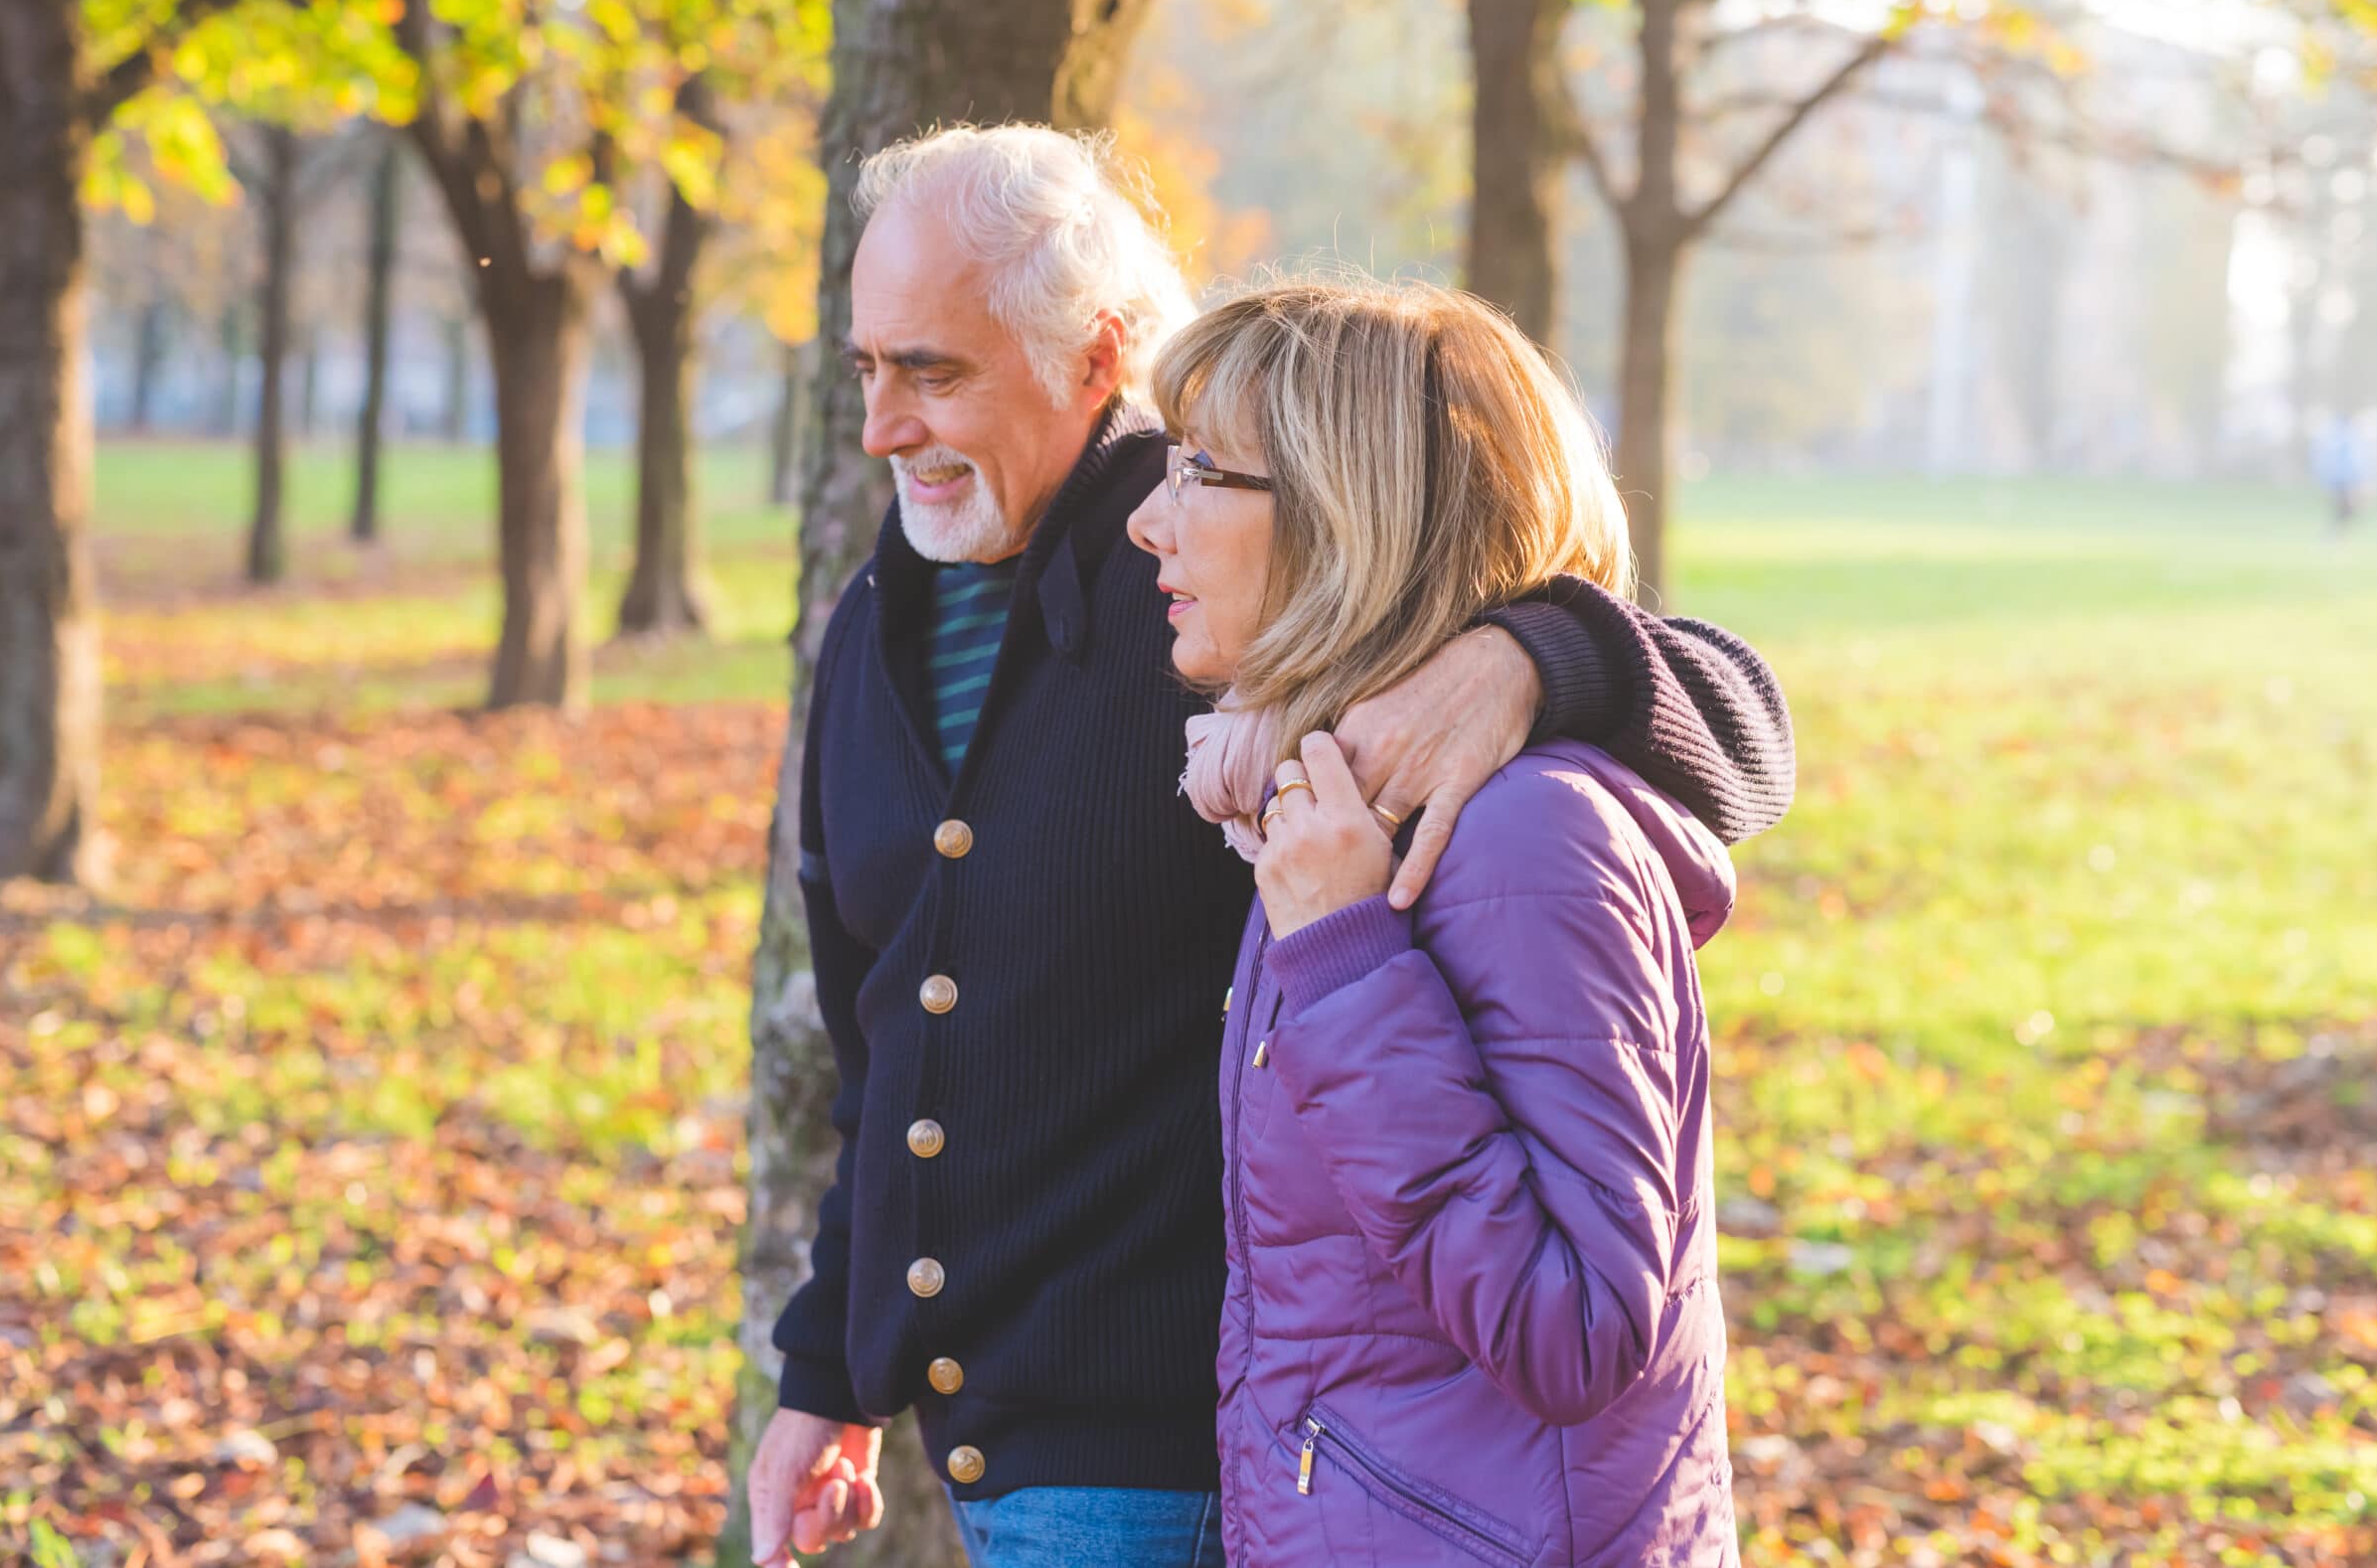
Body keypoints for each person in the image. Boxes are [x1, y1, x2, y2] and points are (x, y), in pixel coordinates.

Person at [746, 125, 1792, 1568]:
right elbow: (891, 1036)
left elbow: (1730, 730)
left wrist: (1528, 657)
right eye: (865, 368)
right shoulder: (883, 614)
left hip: (1200, 1465)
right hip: (1095, 1455)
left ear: (1093, 354)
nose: (881, 423)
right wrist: (826, 1369)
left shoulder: (1238, 587)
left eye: (933, 370)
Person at [1128, 278, 1742, 1566]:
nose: (1146, 519)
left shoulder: (1527, 837)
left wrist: (1350, 967)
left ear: (1346, 518)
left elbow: (1578, 1326)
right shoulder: (1344, 812)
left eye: (1199, 471)